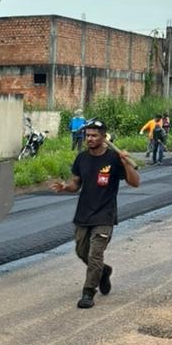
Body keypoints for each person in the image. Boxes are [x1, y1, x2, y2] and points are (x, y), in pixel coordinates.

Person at [50, 118, 141, 309]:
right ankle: (104, 271)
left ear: (103, 137)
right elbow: (76, 183)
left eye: (94, 135)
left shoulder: (114, 159)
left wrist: (126, 164)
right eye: (87, 135)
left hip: (104, 215)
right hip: (84, 214)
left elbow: (135, 182)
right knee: (82, 252)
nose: (89, 139)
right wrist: (66, 187)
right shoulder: (82, 158)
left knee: (95, 255)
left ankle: (88, 292)